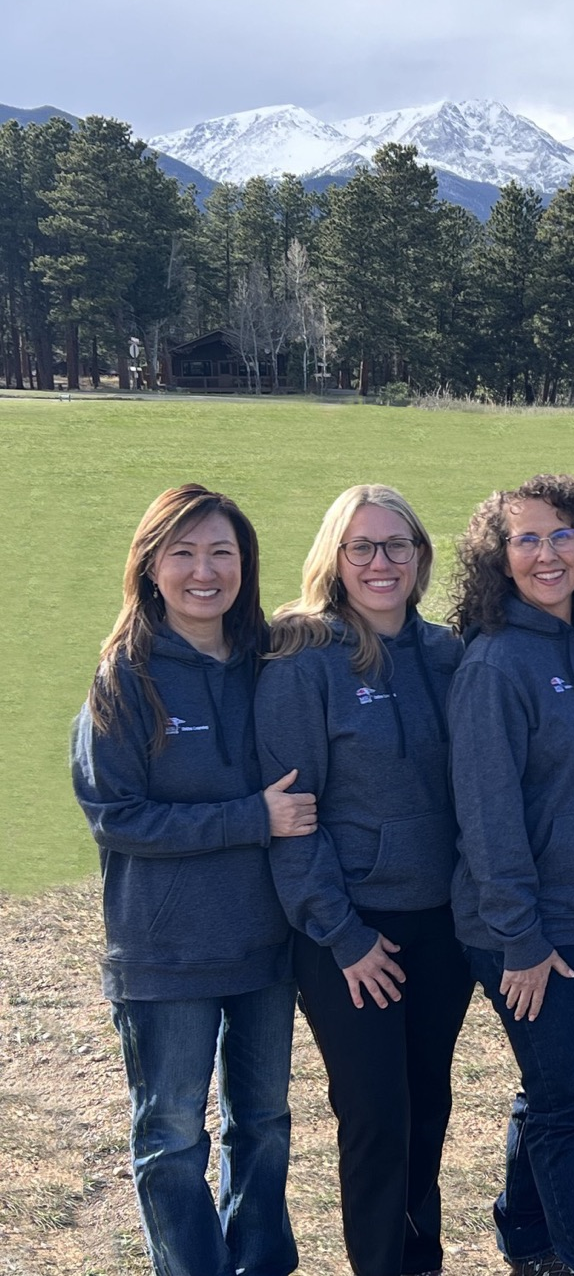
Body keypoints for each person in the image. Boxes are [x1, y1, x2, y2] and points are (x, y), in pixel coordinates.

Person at [71, 484, 313, 1276]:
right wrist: (248, 817)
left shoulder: (269, 663)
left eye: (221, 552)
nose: (203, 571)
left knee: (266, 1124)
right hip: (165, 953)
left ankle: (262, 1262)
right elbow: (117, 815)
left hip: (264, 945)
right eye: (183, 552)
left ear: (244, 562)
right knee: (173, 1138)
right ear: (149, 566)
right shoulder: (126, 678)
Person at [255, 484, 473, 1276]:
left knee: (428, 1104)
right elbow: (292, 814)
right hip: (348, 932)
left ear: (420, 557)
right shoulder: (303, 659)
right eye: (362, 547)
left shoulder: (449, 654)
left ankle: (421, 1259)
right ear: (336, 557)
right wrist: (344, 935)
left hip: (442, 926)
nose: (381, 562)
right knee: (377, 1116)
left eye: (397, 546)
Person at [448, 473, 574, 1276]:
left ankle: (524, 1231)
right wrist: (520, 940)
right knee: (569, 1104)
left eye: (561, 533)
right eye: (524, 538)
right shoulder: (494, 666)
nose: (546, 552)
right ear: (498, 558)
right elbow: (487, 817)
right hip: (533, 934)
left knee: (548, 1085)